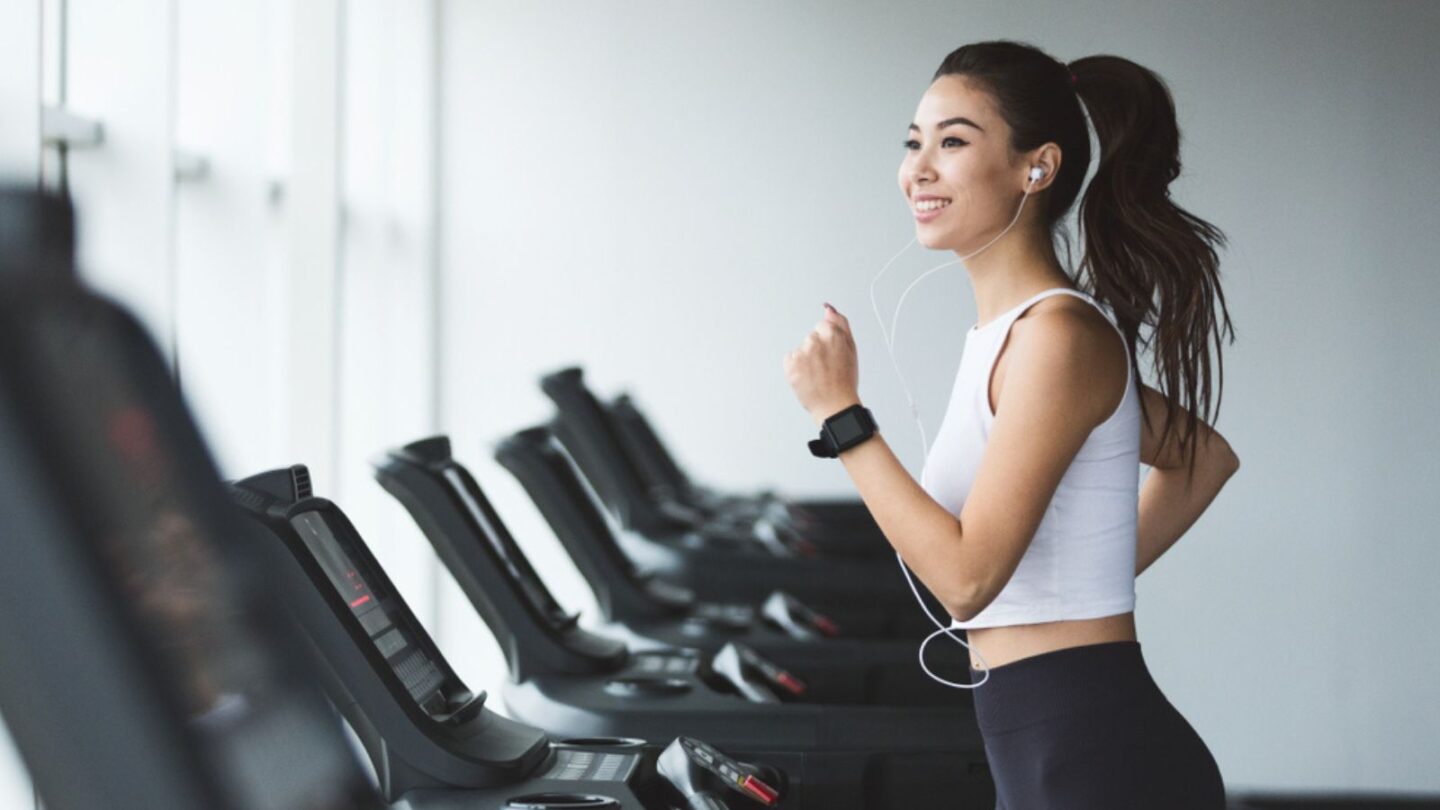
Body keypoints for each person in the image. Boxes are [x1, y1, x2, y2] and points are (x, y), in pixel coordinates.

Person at [783, 40, 1237, 808]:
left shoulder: (1059, 339)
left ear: (1039, 167)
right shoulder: (1021, 336)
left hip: (1098, 755)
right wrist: (1079, 581)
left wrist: (843, 418)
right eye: (913, 142)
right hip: (1044, 742)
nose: (919, 168)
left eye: (953, 141)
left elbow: (965, 583)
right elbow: (1204, 459)